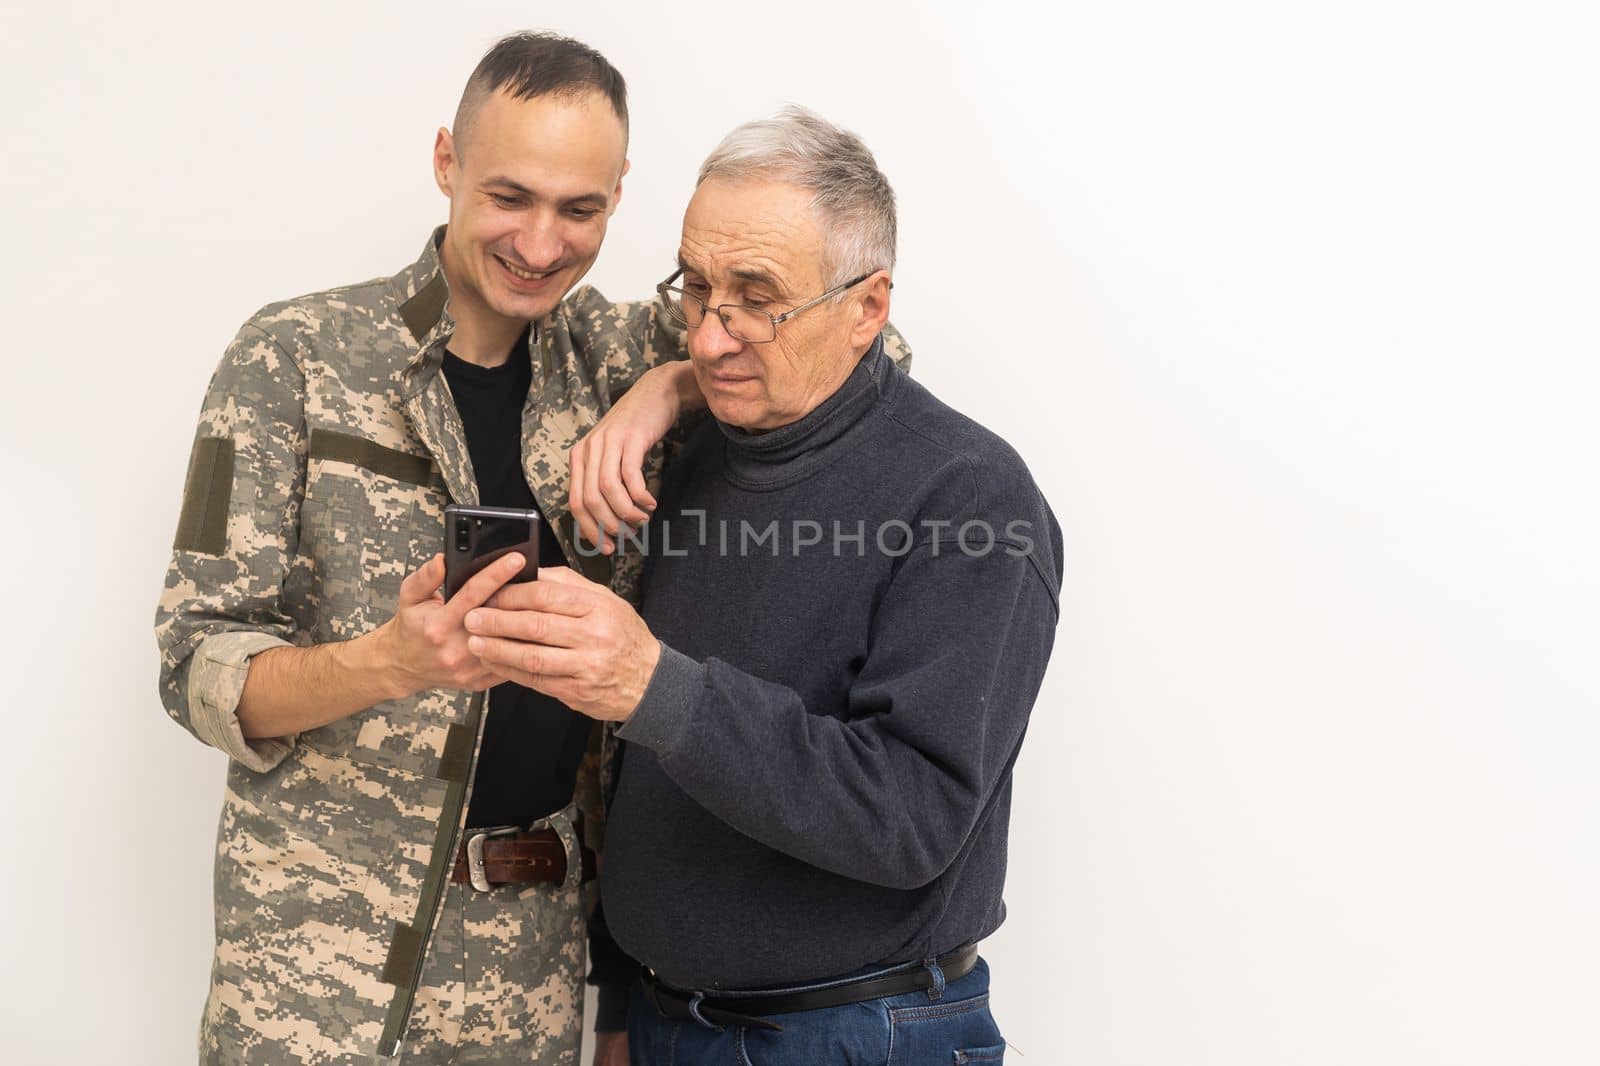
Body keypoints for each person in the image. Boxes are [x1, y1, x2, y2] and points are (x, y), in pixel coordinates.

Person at [155, 31, 911, 1065]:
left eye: (580, 208)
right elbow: (196, 668)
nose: (542, 242)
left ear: (619, 194)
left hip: (528, 971)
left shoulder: (617, 352)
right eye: (510, 195)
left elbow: (851, 348)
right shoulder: (292, 358)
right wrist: (388, 661)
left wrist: (667, 386)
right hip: (313, 969)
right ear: (446, 162)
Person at [463, 107, 1061, 1064]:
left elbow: (912, 818)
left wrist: (655, 687)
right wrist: (623, 1009)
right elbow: (643, 784)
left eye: (755, 297)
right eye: (695, 289)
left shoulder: (971, 498)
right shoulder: (696, 460)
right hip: (668, 1026)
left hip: (859, 1034)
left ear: (868, 307)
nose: (707, 338)